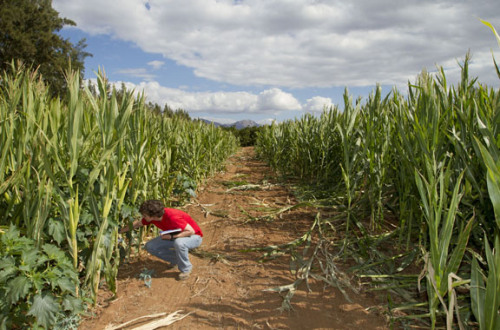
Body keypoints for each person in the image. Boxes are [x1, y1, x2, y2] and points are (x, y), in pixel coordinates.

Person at [120, 200, 203, 280]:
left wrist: (171, 237)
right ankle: (176, 259)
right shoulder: (152, 218)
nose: (143, 217)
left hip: (194, 237)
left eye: (144, 215)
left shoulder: (172, 217)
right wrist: (120, 231)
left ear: (153, 215)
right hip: (175, 235)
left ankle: (186, 269)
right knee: (150, 246)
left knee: (179, 243)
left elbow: (190, 231)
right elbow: (137, 224)